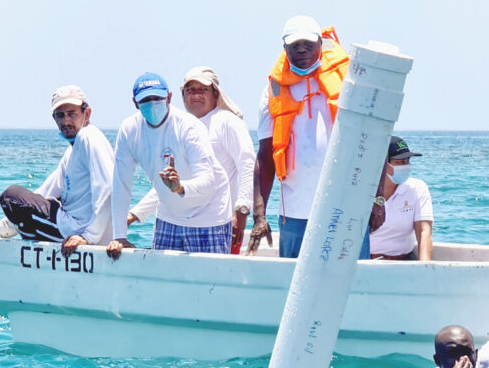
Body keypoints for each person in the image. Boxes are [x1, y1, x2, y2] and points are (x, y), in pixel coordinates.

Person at [251, 15, 353, 258]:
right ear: (284, 48)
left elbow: (373, 141)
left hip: (344, 208)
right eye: (295, 45)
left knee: (351, 285)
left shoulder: (348, 81)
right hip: (294, 214)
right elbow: (265, 157)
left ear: (320, 42)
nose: (302, 49)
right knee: (292, 283)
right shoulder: (272, 91)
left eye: (308, 42)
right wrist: (259, 214)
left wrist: (377, 198)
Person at [0, 85, 115, 257]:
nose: (66, 121)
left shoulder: (89, 136)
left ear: (87, 113)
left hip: (80, 233)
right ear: (54, 119)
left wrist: (89, 237)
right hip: (77, 232)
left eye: (72, 113)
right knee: (28, 203)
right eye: (60, 116)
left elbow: (107, 188)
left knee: (10, 197)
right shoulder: (71, 153)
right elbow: (45, 193)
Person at [128, 67, 255, 255]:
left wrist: (241, 212)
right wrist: (135, 214)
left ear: (215, 93)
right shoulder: (176, 126)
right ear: (181, 94)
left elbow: (248, 164)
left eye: (202, 90)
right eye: (190, 90)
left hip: (214, 223)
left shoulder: (228, 121)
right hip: (173, 222)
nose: (196, 95)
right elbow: (169, 183)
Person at [106, 72, 232, 259]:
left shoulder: (189, 127)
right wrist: (119, 236)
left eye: (157, 98)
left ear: (170, 97)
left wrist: (180, 187)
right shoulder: (129, 129)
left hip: (208, 217)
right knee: (160, 286)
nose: (152, 104)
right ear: (135, 103)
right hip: (168, 217)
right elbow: (120, 186)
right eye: (146, 100)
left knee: (208, 286)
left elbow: (208, 182)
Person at [369, 136, 434, 260]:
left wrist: (425, 270)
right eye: (400, 162)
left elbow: (424, 232)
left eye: (407, 161)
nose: (406, 166)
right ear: (383, 164)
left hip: (403, 262)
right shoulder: (362, 191)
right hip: (365, 262)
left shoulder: (417, 188)